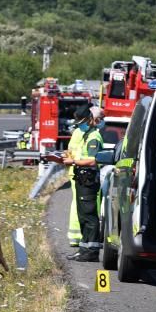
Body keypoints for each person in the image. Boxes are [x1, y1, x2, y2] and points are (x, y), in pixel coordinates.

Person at [64, 107, 104, 262]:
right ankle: (83, 249)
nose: (80, 126)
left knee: (89, 216)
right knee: (83, 215)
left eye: (82, 122)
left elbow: (94, 160)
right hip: (81, 178)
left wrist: (73, 161)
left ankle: (92, 251)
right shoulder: (86, 134)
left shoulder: (94, 136)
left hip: (88, 180)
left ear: (89, 119)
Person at [65, 110, 86, 247]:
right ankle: (81, 236)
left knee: (76, 203)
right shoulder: (85, 133)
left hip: (75, 171)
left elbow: (69, 152)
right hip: (82, 171)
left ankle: (75, 236)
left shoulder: (77, 132)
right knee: (82, 204)